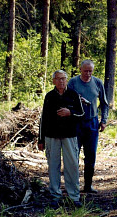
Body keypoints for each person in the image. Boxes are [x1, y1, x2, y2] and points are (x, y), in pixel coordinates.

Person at [38, 70, 84, 208]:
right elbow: (43, 119)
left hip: (70, 136)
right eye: (58, 79)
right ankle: (55, 196)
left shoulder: (73, 95)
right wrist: (41, 139)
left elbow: (81, 114)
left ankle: (74, 196)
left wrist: (70, 113)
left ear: (66, 80)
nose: (61, 81)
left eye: (63, 79)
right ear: (53, 81)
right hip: (51, 136)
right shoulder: (49, 96)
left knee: (72, 166)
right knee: (53, 166)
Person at [67, 60, 109, 193]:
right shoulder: (73, 82)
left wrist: (104, 120)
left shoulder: (97, 83)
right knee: (73, 155)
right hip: (76, 122)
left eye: (90, 71)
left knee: (91, 155)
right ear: (80, 69)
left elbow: (104, 103)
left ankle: (88, 185)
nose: (88, 73)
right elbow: (67, 100)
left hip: (92, 122)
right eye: (85, 71)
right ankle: (73, 186)